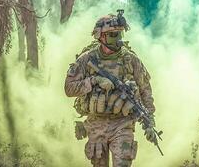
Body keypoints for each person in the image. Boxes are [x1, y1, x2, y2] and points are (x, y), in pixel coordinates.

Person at [64, 10, 156, 167]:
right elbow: (69, 89)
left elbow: (145, 90)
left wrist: (150, 123)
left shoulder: (130, 60)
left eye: (119, 35)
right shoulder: (87, 60)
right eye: (113, 35)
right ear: (100, 36)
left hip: (122, 124)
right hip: (95, 125)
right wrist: (94, 80)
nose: (117, 39)